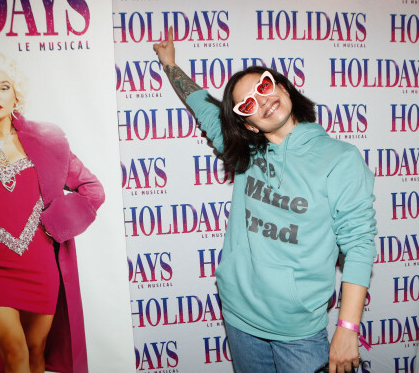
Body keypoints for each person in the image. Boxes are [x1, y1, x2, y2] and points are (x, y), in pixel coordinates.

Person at [153, 28, 377, 373]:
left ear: (283, 87)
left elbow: (359, 245)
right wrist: (170, 64)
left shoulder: (340, 158)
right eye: (248, 104)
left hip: (299, 332)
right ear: (250, 124)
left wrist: (347, 329)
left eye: (265, 86)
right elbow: (203, 104)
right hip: (240, 318)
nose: (262, 100)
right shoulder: (248, 154)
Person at [0, 51, 104, 373]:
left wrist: (54, 224)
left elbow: (92, 189)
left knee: (35, 355)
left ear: (15, 92)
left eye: (4, 86)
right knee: (14, 352)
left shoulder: (47, 141)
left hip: (40, 265)